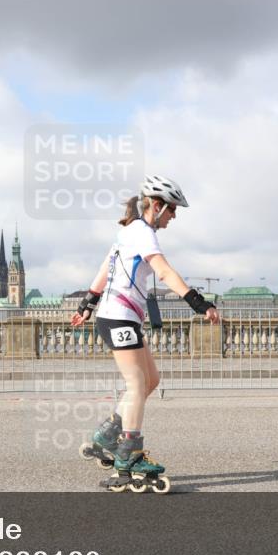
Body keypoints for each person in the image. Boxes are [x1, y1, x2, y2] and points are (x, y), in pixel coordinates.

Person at [72, 175, 220, 493]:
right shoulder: (142, 232)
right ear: (157, 205)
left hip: (122, 317)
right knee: (136, 384)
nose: (174, 216)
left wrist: (88, 302)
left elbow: (104, 268)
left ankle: (107, 436)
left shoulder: (128, 232)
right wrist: (199, 303)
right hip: (118, 318)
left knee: (151, 380)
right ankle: (129, 456)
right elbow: (164, 271)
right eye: (172, 210)